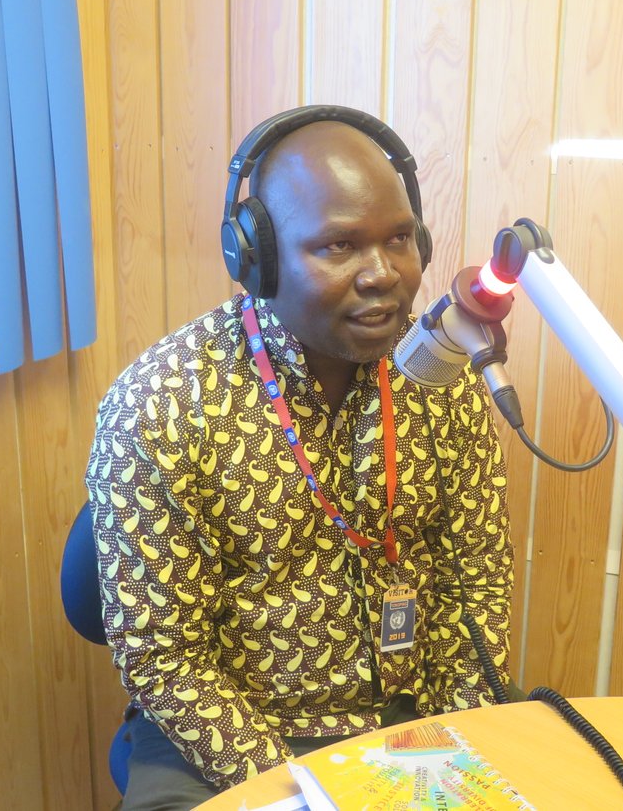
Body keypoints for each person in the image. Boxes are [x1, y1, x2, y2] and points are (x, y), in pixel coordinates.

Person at [85, 106, 514, 809]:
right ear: (257, 258)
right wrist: (305, 793)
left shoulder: (439, 373)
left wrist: (450, 752)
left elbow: (477, 587)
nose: (383, 274)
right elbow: (163, 655)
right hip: (228, 734)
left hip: (410, 721)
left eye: (399, 239)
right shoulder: (162, 403)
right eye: (339, 246)